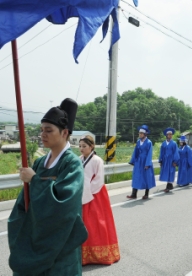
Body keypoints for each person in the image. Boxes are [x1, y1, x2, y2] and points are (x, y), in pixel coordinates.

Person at [8, 98, 88, 275]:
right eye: (41, 130)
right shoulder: (39, 163)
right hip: (37, 235)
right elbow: (24, 203)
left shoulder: (72, 164)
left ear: (64, 133)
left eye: (49, 130)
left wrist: (35, 180)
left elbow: (64, 203)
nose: (42, 134)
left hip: (60, 240)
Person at [79, 135, 120, 265]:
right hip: (82, 193)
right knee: (83, 223)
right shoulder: (79, 159)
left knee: (97, 222)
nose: (81, 149)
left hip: (95, 195)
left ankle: (99, 254)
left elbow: (98, 180)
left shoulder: (97, 160)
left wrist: (87, 192)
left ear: (91, 147)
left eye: (84, 146)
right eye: (80, 146)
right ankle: (83, 254)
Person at [127, 125, 156, 199]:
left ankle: (146, 194)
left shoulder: (149, 142)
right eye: (139, 133)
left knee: (146, 177)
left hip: (145, 161)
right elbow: (135, 152)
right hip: (138, 161)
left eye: (141, 133)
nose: (140, 134)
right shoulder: (138, 141)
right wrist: (133, 161)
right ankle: (134, 194)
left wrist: (147, 163)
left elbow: (149, 153)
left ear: (145, 134)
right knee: (136, 176)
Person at [159, 127, 180, 193]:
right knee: (166, 172)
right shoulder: (163, 143)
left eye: (171, 134)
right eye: (169, 134)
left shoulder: (174, 143)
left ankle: (168, 187)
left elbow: (176, 152)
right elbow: (161, 152)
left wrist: (175, 161)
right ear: (166, 135)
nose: (170, 136)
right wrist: (161, 160)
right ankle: (170, 185)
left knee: (171, 172)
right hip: (165, 160)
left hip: (171, 160)